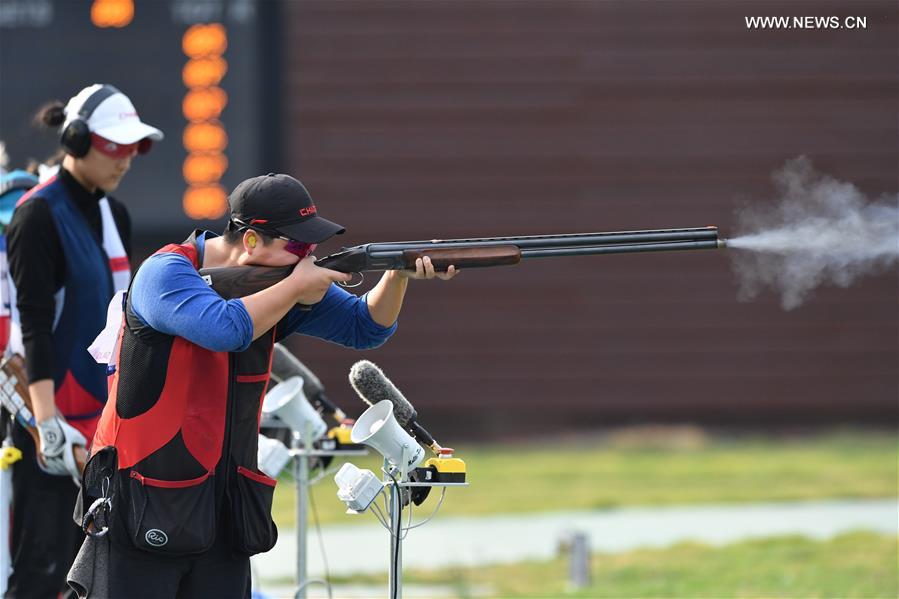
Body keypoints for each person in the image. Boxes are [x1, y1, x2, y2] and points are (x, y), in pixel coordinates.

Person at [75, 173, 456, 598]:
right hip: (142, 504)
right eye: (297, 247)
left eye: (312, 247)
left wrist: (398, 272)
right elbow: (225, 329)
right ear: (252, 242)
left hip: (225, 509)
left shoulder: (283, 282)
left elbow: (365, 327)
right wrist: (295, 286)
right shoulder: (164, 273)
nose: (308, 257)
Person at [4, 84, 162, 599]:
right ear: (75, 140)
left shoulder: (114, 215)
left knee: (100, 576)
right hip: (51, 423)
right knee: (41, 573)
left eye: (133, 148)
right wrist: (47, 426)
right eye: (113, 146)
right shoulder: (36, 214)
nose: (125, 160)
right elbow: (35, 324)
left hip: (107, 423)